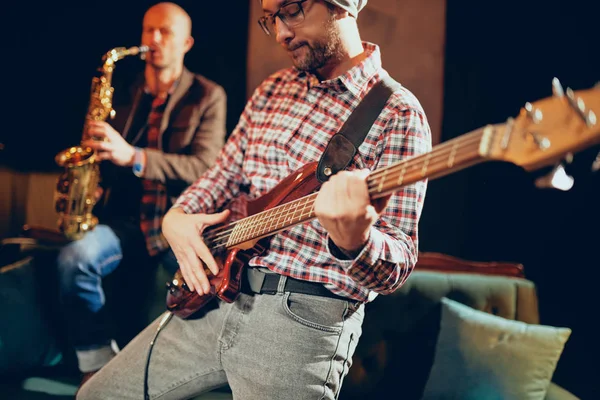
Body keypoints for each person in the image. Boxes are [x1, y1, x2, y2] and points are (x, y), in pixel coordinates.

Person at [78, 0, 431, 398]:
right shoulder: (272, 89)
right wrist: (176, 217)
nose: (280, 33)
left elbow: (396, 266)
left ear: (341, 5)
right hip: (219, 296)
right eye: (271, 19)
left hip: (300, 322)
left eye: (292, 10)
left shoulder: (398, 113)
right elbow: (222, 176)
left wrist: (356, 241)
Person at [56, 1, 227, 388]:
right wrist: (94, 178)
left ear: (187, 42)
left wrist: (133, 157)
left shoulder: (207, 96)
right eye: (149, 29)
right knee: (74, 258)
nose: (153, 39)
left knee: (206, 293)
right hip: (126, 221)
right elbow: (106, 155)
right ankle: (96, 367)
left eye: (165, 32)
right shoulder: (125, 92)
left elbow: (203, 167)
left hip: (176, 223)